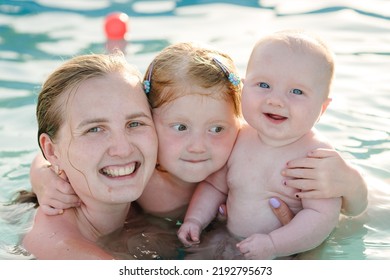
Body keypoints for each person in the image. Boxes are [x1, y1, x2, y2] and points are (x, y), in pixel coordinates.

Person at [29, 42, 367, 227]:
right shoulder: (135, 172)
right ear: (147, 122)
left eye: (218, 129)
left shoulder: (254, 151)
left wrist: (350, 184)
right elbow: (60, 154)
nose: (198, 146)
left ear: (240, 123)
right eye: (179, 128)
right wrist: (44, 178)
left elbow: (368, 205)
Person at [177, 30, 353, 259]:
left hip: (284, 253)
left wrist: (274, 245)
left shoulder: (315, 157)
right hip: (226, 238)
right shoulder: (239, 138)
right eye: (263, 85)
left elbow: (321, 217)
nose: (276, 100)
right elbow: (214, 187)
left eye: (297, 91)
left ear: (322, 108)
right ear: (243, 87)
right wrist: (194, 220)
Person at [22, 52, 158, 259]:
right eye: (94, 129)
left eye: (135, 123)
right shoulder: (66, 251)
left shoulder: (155, 183)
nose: (123, 150)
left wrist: (40, 172)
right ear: (51, 151)